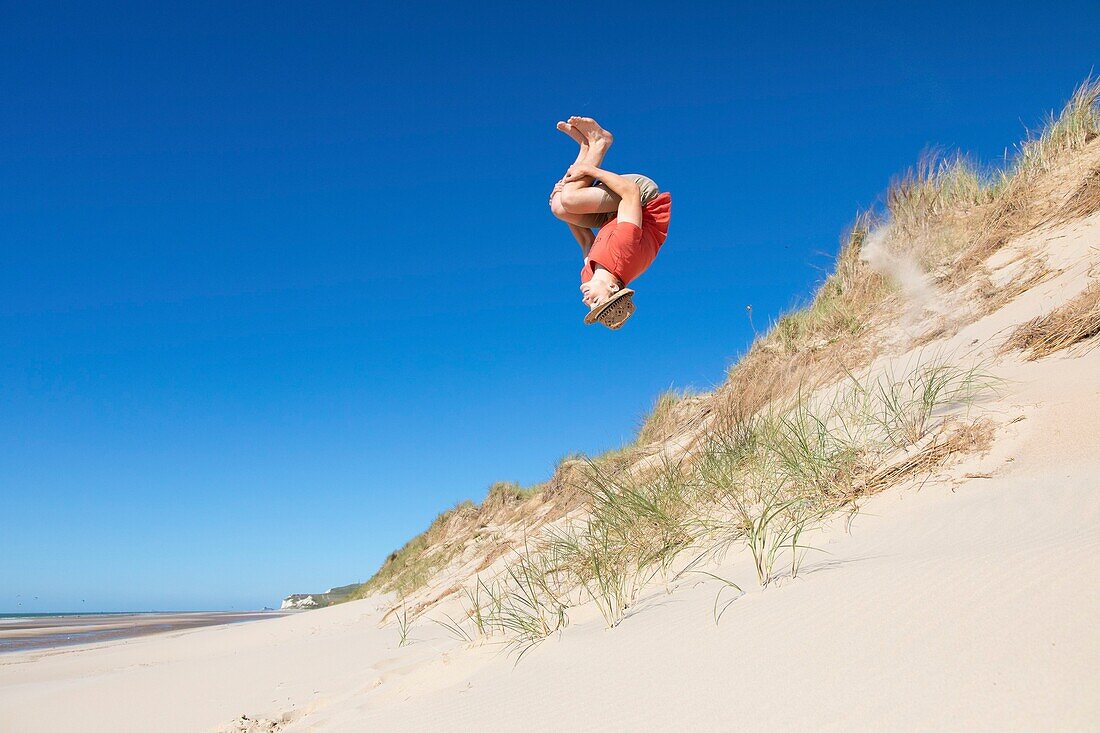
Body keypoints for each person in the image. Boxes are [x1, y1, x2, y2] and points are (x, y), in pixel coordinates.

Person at [548, 116, 672, 329]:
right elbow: (630, 193)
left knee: (560, 205)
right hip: (642, 198)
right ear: (614, 288)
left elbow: (586, 240)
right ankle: (600, 142)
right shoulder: (624, 252)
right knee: (571, 199)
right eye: (595, 301)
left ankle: (585, 147)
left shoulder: (588, 276)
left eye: (589, 305)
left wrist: (562, 204)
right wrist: (589, 172)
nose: (585, 301)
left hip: (615, 215)